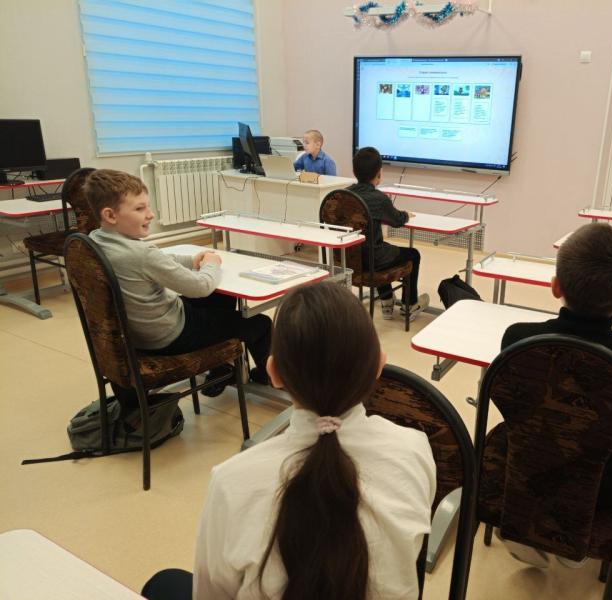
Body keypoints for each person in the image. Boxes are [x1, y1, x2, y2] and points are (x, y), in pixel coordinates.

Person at [148, 282, 433, 600]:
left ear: (274, 373)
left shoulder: (230, 481)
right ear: (379, 364)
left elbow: (210, 594)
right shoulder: (415, 450)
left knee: (163, 583)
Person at [500, 222, 612, 568]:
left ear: (555, 286)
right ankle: (574, 547)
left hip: (521, 473)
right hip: (601, 495)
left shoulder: (516, 340)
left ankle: (528, 534)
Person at [85, 169, 271, 400]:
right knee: (259, 323)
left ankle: (221, 368)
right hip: (168, 335)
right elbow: (200, 286)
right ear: (111, 215)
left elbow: (158, 259)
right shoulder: (140, 254)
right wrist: (211, 263)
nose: (151, 214)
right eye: (140, 209)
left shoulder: (94, 241)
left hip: (135, 334)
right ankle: (267, 377)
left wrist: (191, 260)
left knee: (221, 297)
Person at [347, 146, 429, 321]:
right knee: (412, 254)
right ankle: (410, 305)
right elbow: (397, 220)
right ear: (379, 173)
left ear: (354, 171)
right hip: (373, 259)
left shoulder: (343, 195)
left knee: (382, 249)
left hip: (349, 260)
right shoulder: (379, 199)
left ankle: (386, 301)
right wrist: (406, 215)